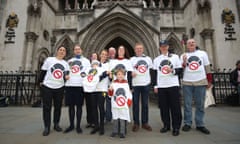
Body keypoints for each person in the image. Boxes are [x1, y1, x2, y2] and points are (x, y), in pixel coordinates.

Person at [181, 38, 212, 135]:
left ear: (195, 44)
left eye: (192, 42)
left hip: (200, 82)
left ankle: (200, 124)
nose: (191, 44)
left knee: (200, 104)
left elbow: (207, 67)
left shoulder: (203, 53)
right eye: (189, 43)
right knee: (187, 104)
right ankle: (187, 123)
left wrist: (209, 80)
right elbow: (180, 69)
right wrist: (184, 62)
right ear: (186, 45)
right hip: (187, 82)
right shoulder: (183, 55)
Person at [152, 40, 182, 136]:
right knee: (163, 108)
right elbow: (154, 74)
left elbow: (180, 70)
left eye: (165, 46)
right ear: (160, 48)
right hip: (161, 86)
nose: (164, 48)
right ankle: (166, 125)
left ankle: (176, 127)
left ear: (168, 47)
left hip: (173, 85)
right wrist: (155, 86)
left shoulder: (175, 57)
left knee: (175, 107)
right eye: (162, 46)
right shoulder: (156, 60)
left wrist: (172, 71)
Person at [39, 46, 70, 136]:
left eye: (64, 50)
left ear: (65, 53)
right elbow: (43, 72)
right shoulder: (49, 60)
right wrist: (40, 82)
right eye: (60, 50)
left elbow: (66, 75)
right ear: (57, 51)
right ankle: (47, 127)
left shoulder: (65, 64)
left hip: (59, 87)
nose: (62, 52)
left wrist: (66, 78)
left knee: (58, 107)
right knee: (47, 107)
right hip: (48, 86)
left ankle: (56, 124)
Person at [64, 44, 90, 134]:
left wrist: (84, 76)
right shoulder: (69, 61)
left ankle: (78, 126)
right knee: (71, 107)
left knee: (79, 107)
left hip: (80, 86)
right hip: (70, 86)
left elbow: (88, 72)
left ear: (81, 50)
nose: (77, 51)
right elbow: (66, 72)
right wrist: (65, 75)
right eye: (75, 49)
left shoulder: (86, 61)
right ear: (74, 51)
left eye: (79, 49)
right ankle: (71, 125)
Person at [130, 43, 153, 132]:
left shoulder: (148, 59)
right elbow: (128, 71)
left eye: (140, 48)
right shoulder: (132, 60)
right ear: (135, 50)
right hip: (135, 85)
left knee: (145, 104)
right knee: (135, 105)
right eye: (137, 48)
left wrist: (152, 83)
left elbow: (152, 71)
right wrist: (131, 73)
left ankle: (145, 123)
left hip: (145, 84)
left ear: (143, 49)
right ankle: (136, 123)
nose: (139, 50)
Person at [108, 68, 132, 138]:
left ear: (124, 75)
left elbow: (128, 94)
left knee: (122, 118)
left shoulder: (126, 84)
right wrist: (111, 90)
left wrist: (129, 102)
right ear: (116, 75)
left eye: (121, 74)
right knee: (115, 118)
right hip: (115, 104)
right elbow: (110, 95)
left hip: (123, 105)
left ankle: (122, 132)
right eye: (118, 74)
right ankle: (115, 131)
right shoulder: (113, 83)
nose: (120, 76)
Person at [91, 50, 111, 135]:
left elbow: (110, 77)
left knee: (101, 108)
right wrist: (103, 74)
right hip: (94, 89)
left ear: (107, 56)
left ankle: (102, 127)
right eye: (102, 54)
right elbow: (92, 76)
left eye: (105, 55)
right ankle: (96, 126)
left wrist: (107, 75)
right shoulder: (95, 65)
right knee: (94, 108)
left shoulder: (109, 65)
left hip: (103, 90)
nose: (104, 55)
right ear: (100, 55)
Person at [105, 47, 116, 123]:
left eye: (113, 52)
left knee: (116, 102)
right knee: (108, 102)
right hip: (108, 85)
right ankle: (108, 118)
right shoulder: (106, 63)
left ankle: (117, 118)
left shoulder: (118, 61)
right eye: (110, 52)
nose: (112, 53)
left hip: (117, 85)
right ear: (108, 54)